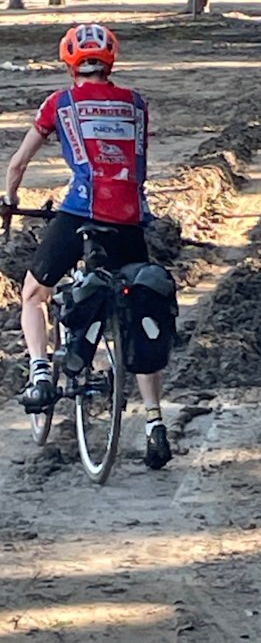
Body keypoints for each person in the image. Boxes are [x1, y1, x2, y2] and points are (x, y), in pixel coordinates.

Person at [4, 23, 172, 470]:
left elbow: (19, 164)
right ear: (110, 61)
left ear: (69, 62)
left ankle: (41, 371)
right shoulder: (136, 104)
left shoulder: (59, 103)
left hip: (81, 211)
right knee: (137, 312)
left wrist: (10, 201)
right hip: (131, 218)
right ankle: (156, 422)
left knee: (34, 293)